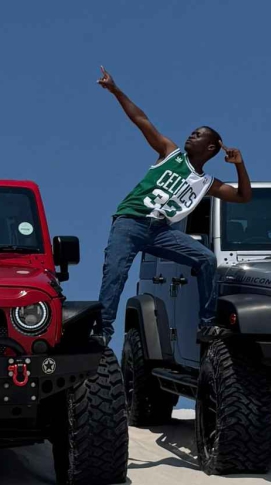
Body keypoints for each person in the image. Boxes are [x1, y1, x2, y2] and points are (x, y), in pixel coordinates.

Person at [94, 66, 251, 347]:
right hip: (130, 221)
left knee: (207, 259)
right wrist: (116, 90)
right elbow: (141, 120)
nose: (191, 136)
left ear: (211, 148)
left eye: (198, 134)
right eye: (192, 132)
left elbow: (243, 197)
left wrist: (239, 164)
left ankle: (207, 325)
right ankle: (102, 331)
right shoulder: (170, 152)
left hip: (160, 231)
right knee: (115, 273)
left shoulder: (207, 183)